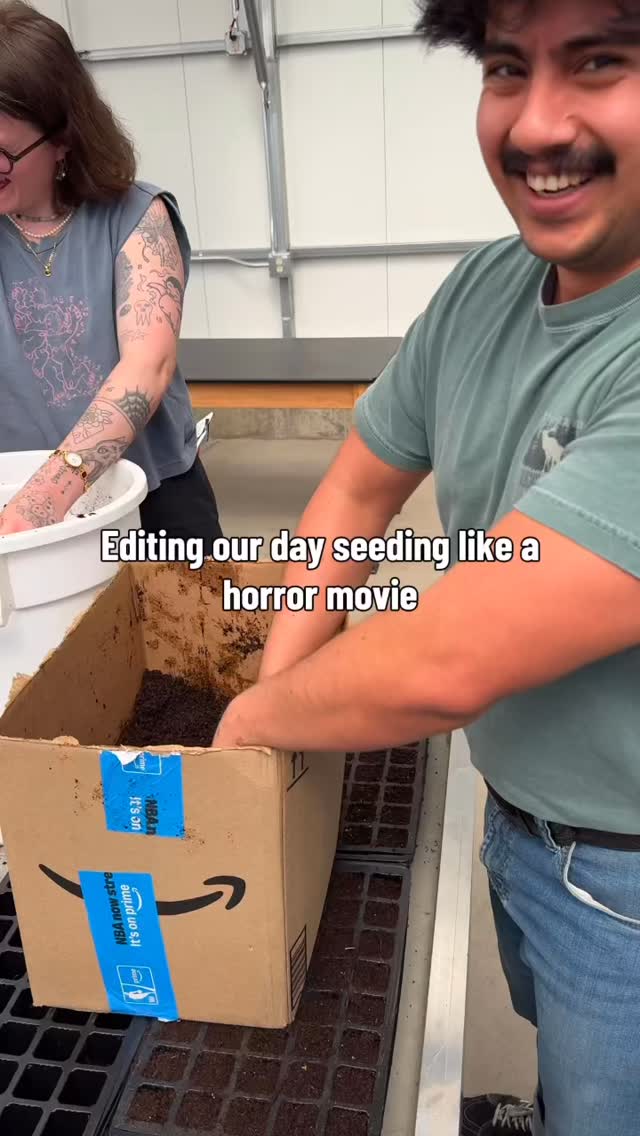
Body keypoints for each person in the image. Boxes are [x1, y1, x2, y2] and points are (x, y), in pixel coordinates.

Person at [213, 1, 640, 1133]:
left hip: (627, 881)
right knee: (565, 1062)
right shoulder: (483, 292)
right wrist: (279, 687)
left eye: (600, 64)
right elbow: (355, 490)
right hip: (520, 815)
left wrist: (252, 724)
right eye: (508, 68)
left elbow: (445, 660)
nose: (538, 122)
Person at [0, 0, 222, 542]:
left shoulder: (137, 218)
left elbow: (147, 368)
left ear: (63, 140)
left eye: (1, 155)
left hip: (154, 500)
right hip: (17, 510)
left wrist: (44, 498)